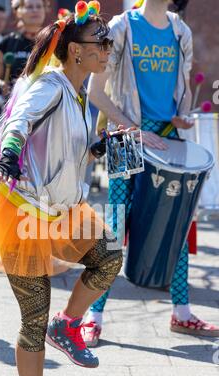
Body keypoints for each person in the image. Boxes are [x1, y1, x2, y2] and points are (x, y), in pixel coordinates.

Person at [0, 1, 124, 376]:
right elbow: (21, 118)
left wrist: (96, 149)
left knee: (108, 258)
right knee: (32, 316)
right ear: (74, 51)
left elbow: (61, 149)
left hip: (63, 210)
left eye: (108, 43)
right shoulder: (49, 83)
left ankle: (67, 325)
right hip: (22, 213)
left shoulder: (77, 92)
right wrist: (10, 149)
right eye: (100, 44)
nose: (107, 50)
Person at [84, 0, 219, 347]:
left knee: (179, 220)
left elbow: (182, 88)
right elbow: (95, 93)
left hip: (167, 138)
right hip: (126, 137)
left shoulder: (180, 30)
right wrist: (134, 128)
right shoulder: (120, 28)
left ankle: (182, 312)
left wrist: (182, 114)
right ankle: (92, 315)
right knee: (114, 224)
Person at [0, 0, 48, 98]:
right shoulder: (7, 42)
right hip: (14, 106)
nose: (35, 10)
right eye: (29, 7)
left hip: (45, 104)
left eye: (39, 7)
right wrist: (1, 86)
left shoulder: (53, 42)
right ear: (18, 12)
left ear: (44, 10)